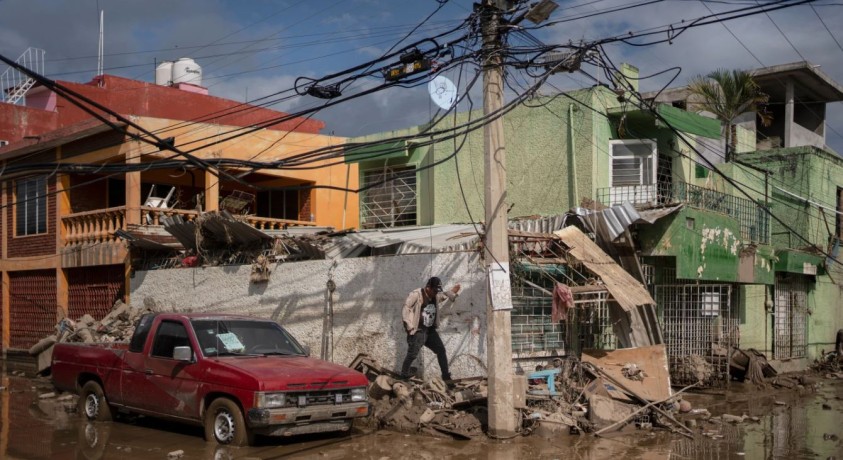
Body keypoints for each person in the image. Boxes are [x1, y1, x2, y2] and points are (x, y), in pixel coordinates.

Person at [400, 276, 461, 381]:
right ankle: (403, 375)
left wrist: (452, 292)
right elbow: (406, 308)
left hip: (430, 331)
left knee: (441, 350)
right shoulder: (417, 294)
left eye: (437, 291)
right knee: (412, 354)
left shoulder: (435, 296)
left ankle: (446, 377)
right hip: (418, 330)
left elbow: (443, 296)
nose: (435, 293)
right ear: (428, 287)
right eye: (434, 290)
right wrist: (409, 326)